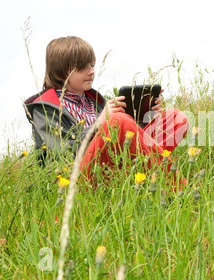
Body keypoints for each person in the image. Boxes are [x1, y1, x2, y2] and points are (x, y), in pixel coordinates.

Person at [23, 36, 188, 188]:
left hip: (113, 167)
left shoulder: (94, 101)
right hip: (76, 179)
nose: (92, 71)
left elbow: (122, 139)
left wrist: (147, 117)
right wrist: (99, 124)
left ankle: (140, 180)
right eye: (82, 67)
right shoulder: (44, 108)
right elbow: (58, 157)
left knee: (176, 118)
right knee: (117, 122)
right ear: (61, 71)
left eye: (92, 65)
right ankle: (180, 190)